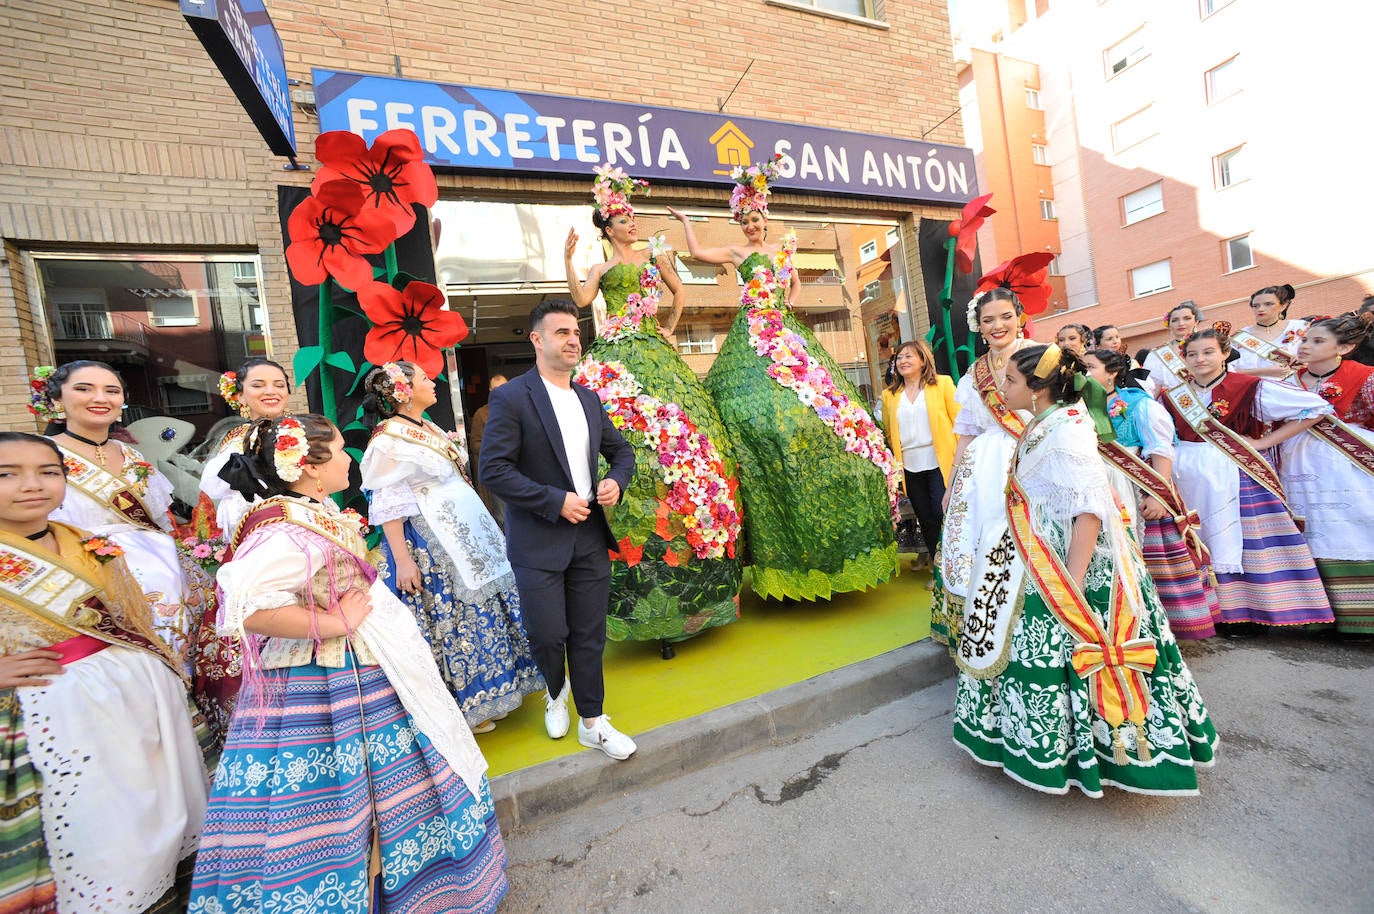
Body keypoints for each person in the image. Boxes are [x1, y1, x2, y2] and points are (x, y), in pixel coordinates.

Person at [190, 415, 508, 911]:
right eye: (339, 450)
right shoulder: (283, 526)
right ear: (309, 466)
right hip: (331, 681)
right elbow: (246, 606)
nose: (349, 459)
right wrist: (335, 622)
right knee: (347, 795)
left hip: (367, 657)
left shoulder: (310, 510)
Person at [951, 344, 1217, 796]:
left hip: (1071, 561)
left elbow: (1089, 512)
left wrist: (1069, 589)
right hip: (1037, 545)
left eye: (1012, 381)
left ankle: (1093, 755)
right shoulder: (1050, 420)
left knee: (1058, 651)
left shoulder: (1066, 431)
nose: (1002, 387)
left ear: (1038, 390)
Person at [0, 431, 213, 914]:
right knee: (94, 832)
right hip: (53, 715)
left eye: (48, 472)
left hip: (140, 700)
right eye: (7, 474)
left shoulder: (88, 543)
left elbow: (135, 617)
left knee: (158, 816)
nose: (31, 485)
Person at [669, 158, 899, 601]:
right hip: (751, 333)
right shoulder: (739, 254)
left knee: (820, 411)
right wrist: (685, 222)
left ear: (764, 219)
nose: (752, 225)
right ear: (741, 224)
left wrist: (786, 306)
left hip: (784, 331)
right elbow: (698, 255)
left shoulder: (785, 249)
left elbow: (793, 284)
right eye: (746, 220)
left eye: (756, 218)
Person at [567, 166, 743, 652]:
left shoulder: (655, 253)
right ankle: (637, 594)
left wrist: (670, 324)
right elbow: (582, 299)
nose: (631, 223)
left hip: (654, 347)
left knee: (694, 440)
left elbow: (679, 290)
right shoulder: (601, 268)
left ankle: (700, 580)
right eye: (622, 218)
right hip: (615, 353)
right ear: (607, 227)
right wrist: (568, 261)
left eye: (632, 216)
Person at [479, 299, 639, 760]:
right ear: (537, 340)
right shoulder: (511, 398)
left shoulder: (588, 398)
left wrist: (615, 482)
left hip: (589, 534)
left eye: (576, 332)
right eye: (562, 332)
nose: (573, 340)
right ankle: (555, 690)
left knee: (589, 633)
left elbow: (622, 452)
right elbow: (493, 469)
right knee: (548, 632)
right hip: (537, 540)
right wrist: (554, 500)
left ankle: (593, 720)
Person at [360, 361, 544, 731]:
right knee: (456, 617)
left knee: (486, 603)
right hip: (434, 540)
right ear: (404, 392)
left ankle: (498, 688)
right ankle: (469, 704)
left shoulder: (423, 427)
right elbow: (387, 502)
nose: (433, 383)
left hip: (464, 533)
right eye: (425, 379)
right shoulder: (390, 440)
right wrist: (403, 559)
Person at [33, 361, 209, 673]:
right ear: (58, 400)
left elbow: (160, 521)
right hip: (83, 570)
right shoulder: (40, 455)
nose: (100, 398)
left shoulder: (132, 455)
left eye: (111, 391)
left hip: (161, 567)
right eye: (84, 389)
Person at [1162, 326, 1334, 631]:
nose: (1199, 359)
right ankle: (1207, 611)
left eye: (1208, 352)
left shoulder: (1249, 386)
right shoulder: (1174, 395)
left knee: (1245, 540)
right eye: (1192, 354)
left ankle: (1248, 613)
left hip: (1237, 472)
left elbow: (1316, 408)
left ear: (1226, 353)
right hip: (1187, 473)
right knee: (1197, 539)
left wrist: (1263, 443)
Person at [1084, 348, 1221, 639]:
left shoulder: (1138, 404)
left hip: (1134, 485)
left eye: (1089, 368)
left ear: (1111, 373)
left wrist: (1158, 494)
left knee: (1144, 557)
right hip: (1095, 485)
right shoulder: (1079, 405)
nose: (1082, 375)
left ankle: (1154, 626)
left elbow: (1160, 448)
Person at [193, 356, 293, 737]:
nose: (271, 391)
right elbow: (219, 492)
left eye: (278, 384)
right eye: (259, 385)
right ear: (240, 395)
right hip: (265, 551)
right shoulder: (237, 441)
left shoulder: (297, 428)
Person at [933, 287, 1035, 649]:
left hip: (1033, 458)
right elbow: (965, 434)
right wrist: (952, 484)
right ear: (978, 324)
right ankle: (983, 625)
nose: (997, 325)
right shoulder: (973, 374)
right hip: (983, 469)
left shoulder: (1041, 359)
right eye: (988, 319)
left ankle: (1029, 626)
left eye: (1005, 316)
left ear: (1019, 316)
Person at [1283, 312, 1374, 636]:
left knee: (1352, 532)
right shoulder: (1289, 382)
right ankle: (1317, 615)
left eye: (1318, 341)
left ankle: (1360, 620)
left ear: (1345, 347)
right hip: (1299, 466)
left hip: (1350, 470)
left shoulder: (1365, 376)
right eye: (1305, 339)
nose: (1305, 346)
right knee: (1308, 530)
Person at [880, 339, 959, 565]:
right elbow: (888, 431)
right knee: (925, 518)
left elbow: (959, 422)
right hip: (909, 465)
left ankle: (953, 566)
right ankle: (937, 568)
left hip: (940, 462)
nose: (902, 361)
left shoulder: (942, 384)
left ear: (923, 361)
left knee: (941, 513)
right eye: (899, 357)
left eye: (908, 356)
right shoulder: (889, 395)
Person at [1232, 284, 1307, 379]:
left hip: (1298, 388)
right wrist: (1266, 371)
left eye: (1268, 304)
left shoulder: (1300, 328)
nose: (1260, 309)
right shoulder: (1239, 337)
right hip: (1256, 390)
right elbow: (1228, 373)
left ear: (1283, 306)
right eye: (1256, 306)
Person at [470, 373, 508, 525]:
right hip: (497, 470)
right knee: (502, 515)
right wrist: (495, 450)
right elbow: (475, 444)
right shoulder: (482, 414)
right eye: (497, 389)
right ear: (491, 391)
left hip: (521, 469)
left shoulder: (520, 408)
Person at [1142, 301, 1203, 394]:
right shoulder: (1156, 355)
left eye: (1187, 318)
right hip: (1179, 405)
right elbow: (1153, 389)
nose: (1181, 323)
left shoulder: (1212, 345)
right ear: (1169, 325)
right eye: (1175, 320)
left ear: (1196, 322)